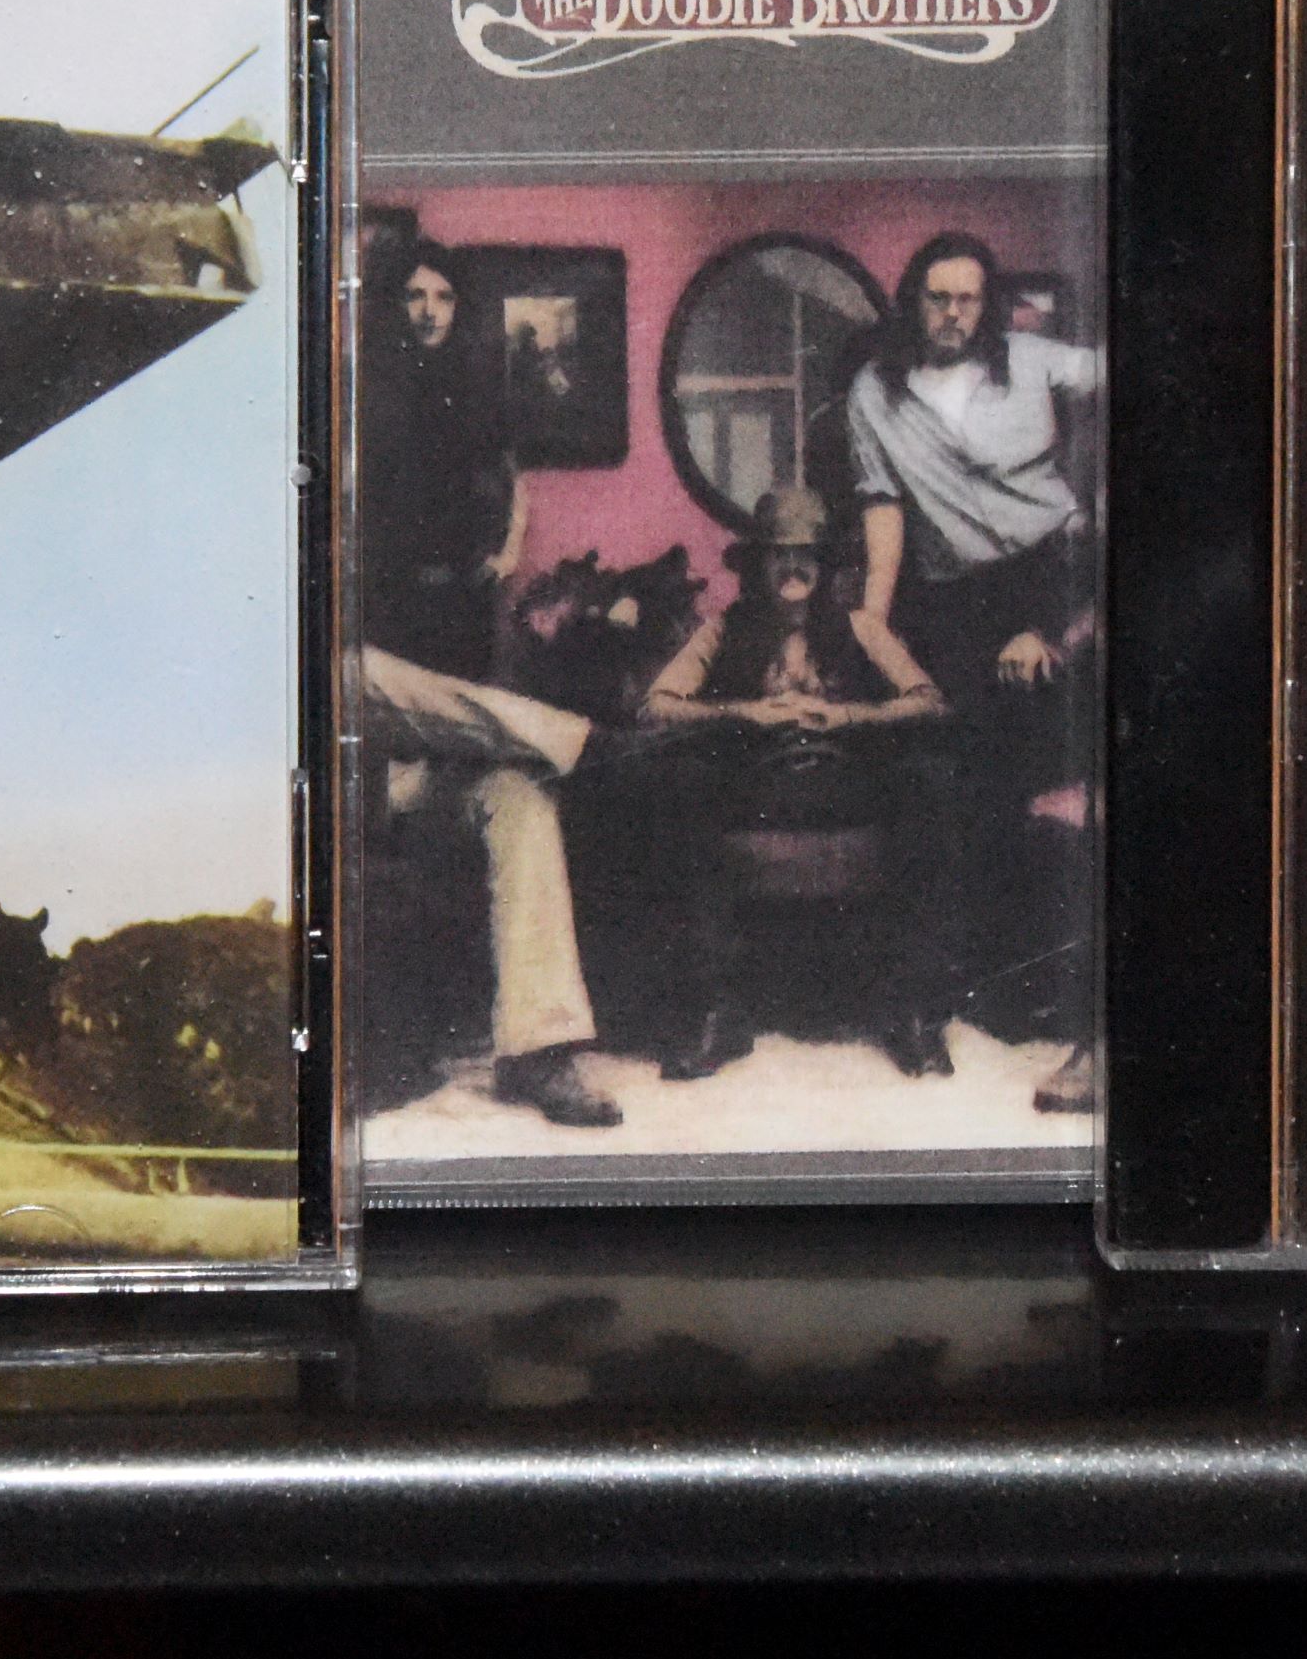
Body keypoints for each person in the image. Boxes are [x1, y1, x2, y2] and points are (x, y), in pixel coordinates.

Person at [844, 234, 1101, 1103]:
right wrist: (873, 626)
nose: (953, 314)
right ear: (912, 300)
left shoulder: (1033, 360)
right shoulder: (874, 392)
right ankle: (920, 1008)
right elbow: (883, 511)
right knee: (936, 772)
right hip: (955, 598)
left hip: (1056, 571)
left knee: (1025, 762)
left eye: (968, 299)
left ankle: (1042, 998)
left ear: (987, 305)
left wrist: (1050, 626)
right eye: (937, 297)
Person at [637, 486, 960, 1072]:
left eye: (806, 554)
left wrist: (850, 716)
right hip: (756, 785)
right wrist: (745, 713)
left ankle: (910, 1010)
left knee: (927, 779)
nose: (793, 567)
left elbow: (930, 701)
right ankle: (717, 1011)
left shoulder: (860, 626)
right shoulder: (724, 629)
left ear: (825, 563)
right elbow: (656, 704)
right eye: (778, 554)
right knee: (681, 782)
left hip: (846, 780)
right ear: (757, 565)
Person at [351, 647, 619, 1126]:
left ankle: (536, 1049)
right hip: (353, 777)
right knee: (350, 668)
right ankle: (578, 740)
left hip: (431, 765)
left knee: (521, 799)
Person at [357, 241, 525, 678]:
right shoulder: (372, 386)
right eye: (415, 296)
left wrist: (509, 554)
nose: (429, 311)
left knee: (461, 704)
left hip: (466, 592)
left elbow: (514, 475)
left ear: (458, 305)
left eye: (443, 297)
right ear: (396, 304)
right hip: (391, 589)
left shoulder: (480, 387)